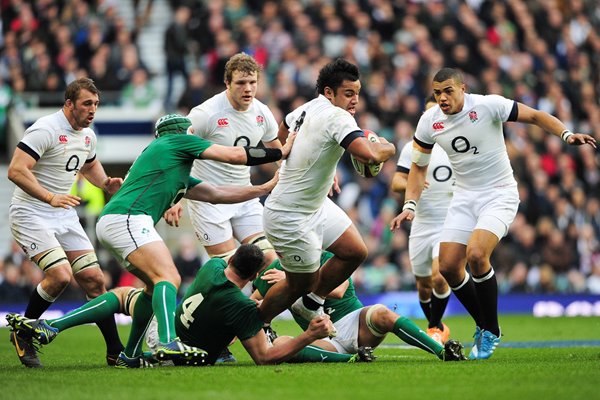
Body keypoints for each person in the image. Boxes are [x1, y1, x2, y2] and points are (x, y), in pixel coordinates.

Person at [390, 68, 596, 360]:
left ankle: (491, 330)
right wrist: (409, 205)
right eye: (437, 93)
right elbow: (418, 167)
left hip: (498, 193)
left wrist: (565, 134)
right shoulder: (429, 121)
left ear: (464, 88)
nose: (443, 98)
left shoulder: (488, 106)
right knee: (448, 268)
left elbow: (536, 115)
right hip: (463, 196)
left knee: (476, 255)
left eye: (448, 90)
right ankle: (484, 325)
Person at [94, 113, 295, 367]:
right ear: (183, 132)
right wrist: (280, 152)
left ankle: (129, 354)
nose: (195, 137)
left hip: (119, 219)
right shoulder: (177, 141)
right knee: (169, 278)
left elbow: (216, 194)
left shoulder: (170, 163)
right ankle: (168, 341)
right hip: (129, 218)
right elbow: (234, 155)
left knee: (150, 290)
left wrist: (263, 188)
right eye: (192, 132)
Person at [6, 245, 361, 366]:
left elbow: (241, 267)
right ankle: (130, 355)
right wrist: (309, 334)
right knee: (129, 297)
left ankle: (56, 327)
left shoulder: (212, 268)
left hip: (172, 327)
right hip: (172, 346)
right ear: (254, 274)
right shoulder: (240, 306)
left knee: (124, 296)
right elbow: (265, 356)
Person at [258, 58, 396, 327]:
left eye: (357, 93)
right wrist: (387, 146)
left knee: (355, 251)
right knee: (299, 284)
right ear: (329, 93)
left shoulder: (305, 109)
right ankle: (257, 324)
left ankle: (311, 303)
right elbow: (369, 156)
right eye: (348, 94)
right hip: (289, 214)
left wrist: (307, 162)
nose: (355, 100)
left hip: (315, 203)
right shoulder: (337, 116)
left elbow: (282, 131)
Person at [7, 77, 124, 368]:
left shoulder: (88, 134)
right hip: (31, 212)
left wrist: (106, 183)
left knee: (95, 280)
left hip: (63, 213)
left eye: (96, 104)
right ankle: (23, 332)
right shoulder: (45, 129)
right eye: (87, 103)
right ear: (69, 103)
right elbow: (16, 170)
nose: (93, 109)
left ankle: (115, 352)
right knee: (60, 276)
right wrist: (50, 197)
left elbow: (89, 164)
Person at [165, 53, 281, 269]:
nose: (248, 89)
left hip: (244, 198)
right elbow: (175, 150)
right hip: (209, 202)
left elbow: (279, 154)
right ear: (227, 83)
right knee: (230, 271)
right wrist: (174, 197)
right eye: (241, 83)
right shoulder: (206, 114)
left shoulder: (262, 113)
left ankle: (256, 304)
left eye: (252, 82)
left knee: (269, 262)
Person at [251, 251, 466, 362]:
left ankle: (442, 351)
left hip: (354, 322)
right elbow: (251, 302)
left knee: (382, 312)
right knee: (280, 344)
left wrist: (291, 281)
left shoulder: (327, 257)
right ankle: (353, 359)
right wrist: (261, 304)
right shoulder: (273, 271)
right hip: (321, 336)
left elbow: (338, 290)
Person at [390, 95, 453, 344]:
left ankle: (434, 329)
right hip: (422, 222)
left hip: (449, 222)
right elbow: (396, 182)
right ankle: (436, 326)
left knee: (440, 276)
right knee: (423, 285)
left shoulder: (458, 146)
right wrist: (412, 182)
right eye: (428, 114)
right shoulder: (413, 148)